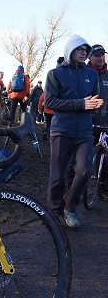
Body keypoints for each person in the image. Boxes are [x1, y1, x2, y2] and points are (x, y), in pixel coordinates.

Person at [45, 35, 103, 228]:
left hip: (85, 131)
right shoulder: (55, 74)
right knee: (57, 176)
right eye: (80, 49)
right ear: (70, 51)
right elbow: (50, 103)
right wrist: (81, 104)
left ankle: (69, 208)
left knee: (84, 171)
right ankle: (54, 211)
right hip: (61, 130)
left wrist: (96, 104)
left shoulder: (92, 74)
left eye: (85, 50)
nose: (84, 53)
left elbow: (93, 100)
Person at [87, 43, 108, 200]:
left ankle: (102, 188)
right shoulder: (84, 73)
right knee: (82, 156)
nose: (101, 58)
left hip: (106, 122)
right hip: (87, 121)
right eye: (97, 55)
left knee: (106, 156)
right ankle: (77, 187)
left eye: (102, 55)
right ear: (90, 57)